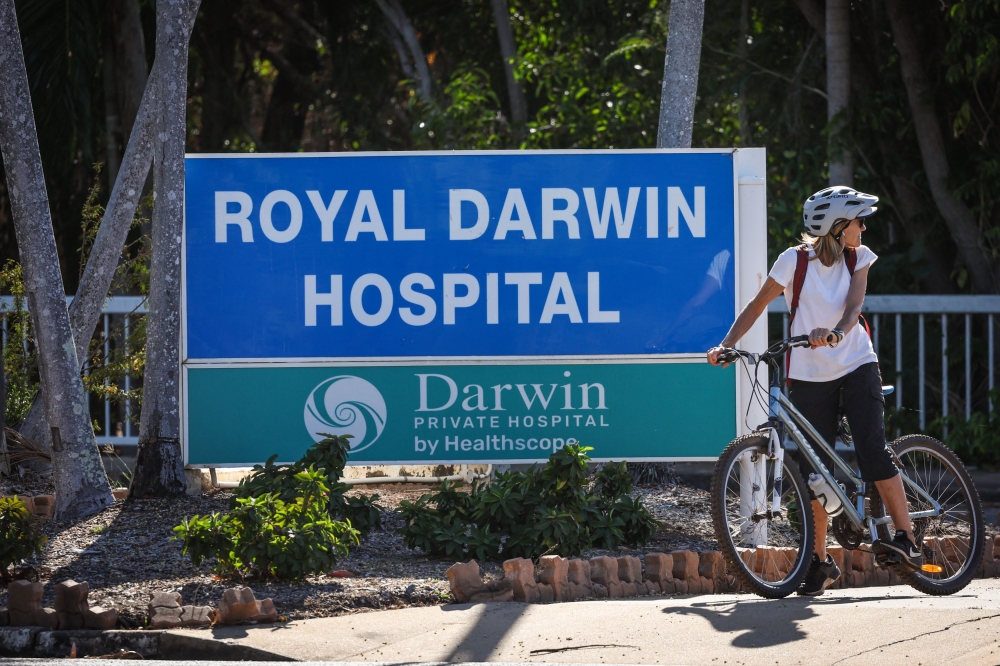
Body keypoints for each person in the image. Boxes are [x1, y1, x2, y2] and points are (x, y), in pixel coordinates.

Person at [706, 186, 922, 597]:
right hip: (807, 373)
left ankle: (907, 536)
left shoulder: (860, 256)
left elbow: (854, 306)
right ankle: (819, 560)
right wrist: (727, 344)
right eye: (859, 219)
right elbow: (756, 305)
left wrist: (837, 333)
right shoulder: (793, 262)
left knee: (872, 452)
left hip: (857, 363)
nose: (864, 225)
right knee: (813, 473)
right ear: (838, 227)